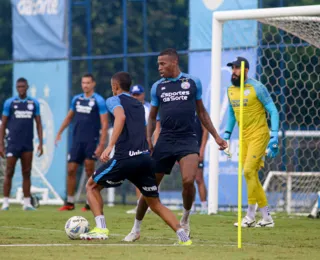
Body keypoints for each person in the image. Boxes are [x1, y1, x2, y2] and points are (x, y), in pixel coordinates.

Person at [123, 48, 227, 242]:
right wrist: (149, 138)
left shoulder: (192, 82)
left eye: (162, 64)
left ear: (174, 62)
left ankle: (185, 219)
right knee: (149, 187)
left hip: (188, 139)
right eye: (158, 64)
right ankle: (136, 228)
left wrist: (216, 137)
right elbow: (152, 117)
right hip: (165, 140)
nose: (159, 68)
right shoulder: (157, 87)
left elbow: (202, 113)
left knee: (188, 180)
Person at [79, 72, 192, 246]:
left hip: (125, 158)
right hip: (144, 158)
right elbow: (145, 129)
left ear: (115, 86)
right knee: (155, 203)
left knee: (91, 186)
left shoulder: (113, 100)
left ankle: (101, 228)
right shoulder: (139, 105)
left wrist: (110, 146)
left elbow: (121, 117)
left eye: (112, 86)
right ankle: (183, 237)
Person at [224, 57, 279, 228]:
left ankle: (249, 216)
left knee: (248, 171)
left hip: (259, 134)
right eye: (232, 68)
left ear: (246, 70)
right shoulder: (230, 90)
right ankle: (266, 218)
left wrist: (274, 135)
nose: (233, 71)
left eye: (236, 68)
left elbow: (273, 109)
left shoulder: (257, 87)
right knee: (250, 175)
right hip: (244, 137)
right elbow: (233, 114)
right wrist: (226, 134)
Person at [55, 73, 108, 211]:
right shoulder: (76, 99)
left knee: (90, 170)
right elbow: (68, 118)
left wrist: (101, 144)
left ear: (93, 84)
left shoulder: (99, 101)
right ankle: (70, 202)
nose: (85, 85)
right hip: (77, 141)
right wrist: (59, 133)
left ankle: (89, 203)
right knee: (71, 169)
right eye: (83, 83)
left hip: (91, 141)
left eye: (88, 83)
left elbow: (104, 123)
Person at [0, 78, 43, 211]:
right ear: (16, 88)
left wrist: (41, 143)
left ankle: (27, 203)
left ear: (27, 87)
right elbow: (3, 124)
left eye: (23, 86)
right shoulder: (10, 103)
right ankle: (6, 202)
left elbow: (39, 124)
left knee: (27, 172)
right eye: (18, 87)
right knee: (9, 171)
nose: (21, 89)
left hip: (27, 144)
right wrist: (1, 144)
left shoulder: (33, 103)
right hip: (13, 143)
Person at [126, 84, 151, 214]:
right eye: (133, 94)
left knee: (150, 176)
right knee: (137, 175)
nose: (135, 97)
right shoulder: (127, 108)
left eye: (137, 94)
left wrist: (153, 142)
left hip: (148, 145)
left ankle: (150, 204)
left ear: (143, 94)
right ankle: (140, 205)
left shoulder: (149, 108)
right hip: (134, 145)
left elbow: (156, 126)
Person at [192, 115, 209, 214]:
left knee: (199, 178)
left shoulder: (199, 112)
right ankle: (190, 207)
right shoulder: (182, 110)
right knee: (188, 180)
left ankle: (204, 206)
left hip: (197, 150)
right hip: (185, 150)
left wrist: (202, 150)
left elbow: (205, 131)